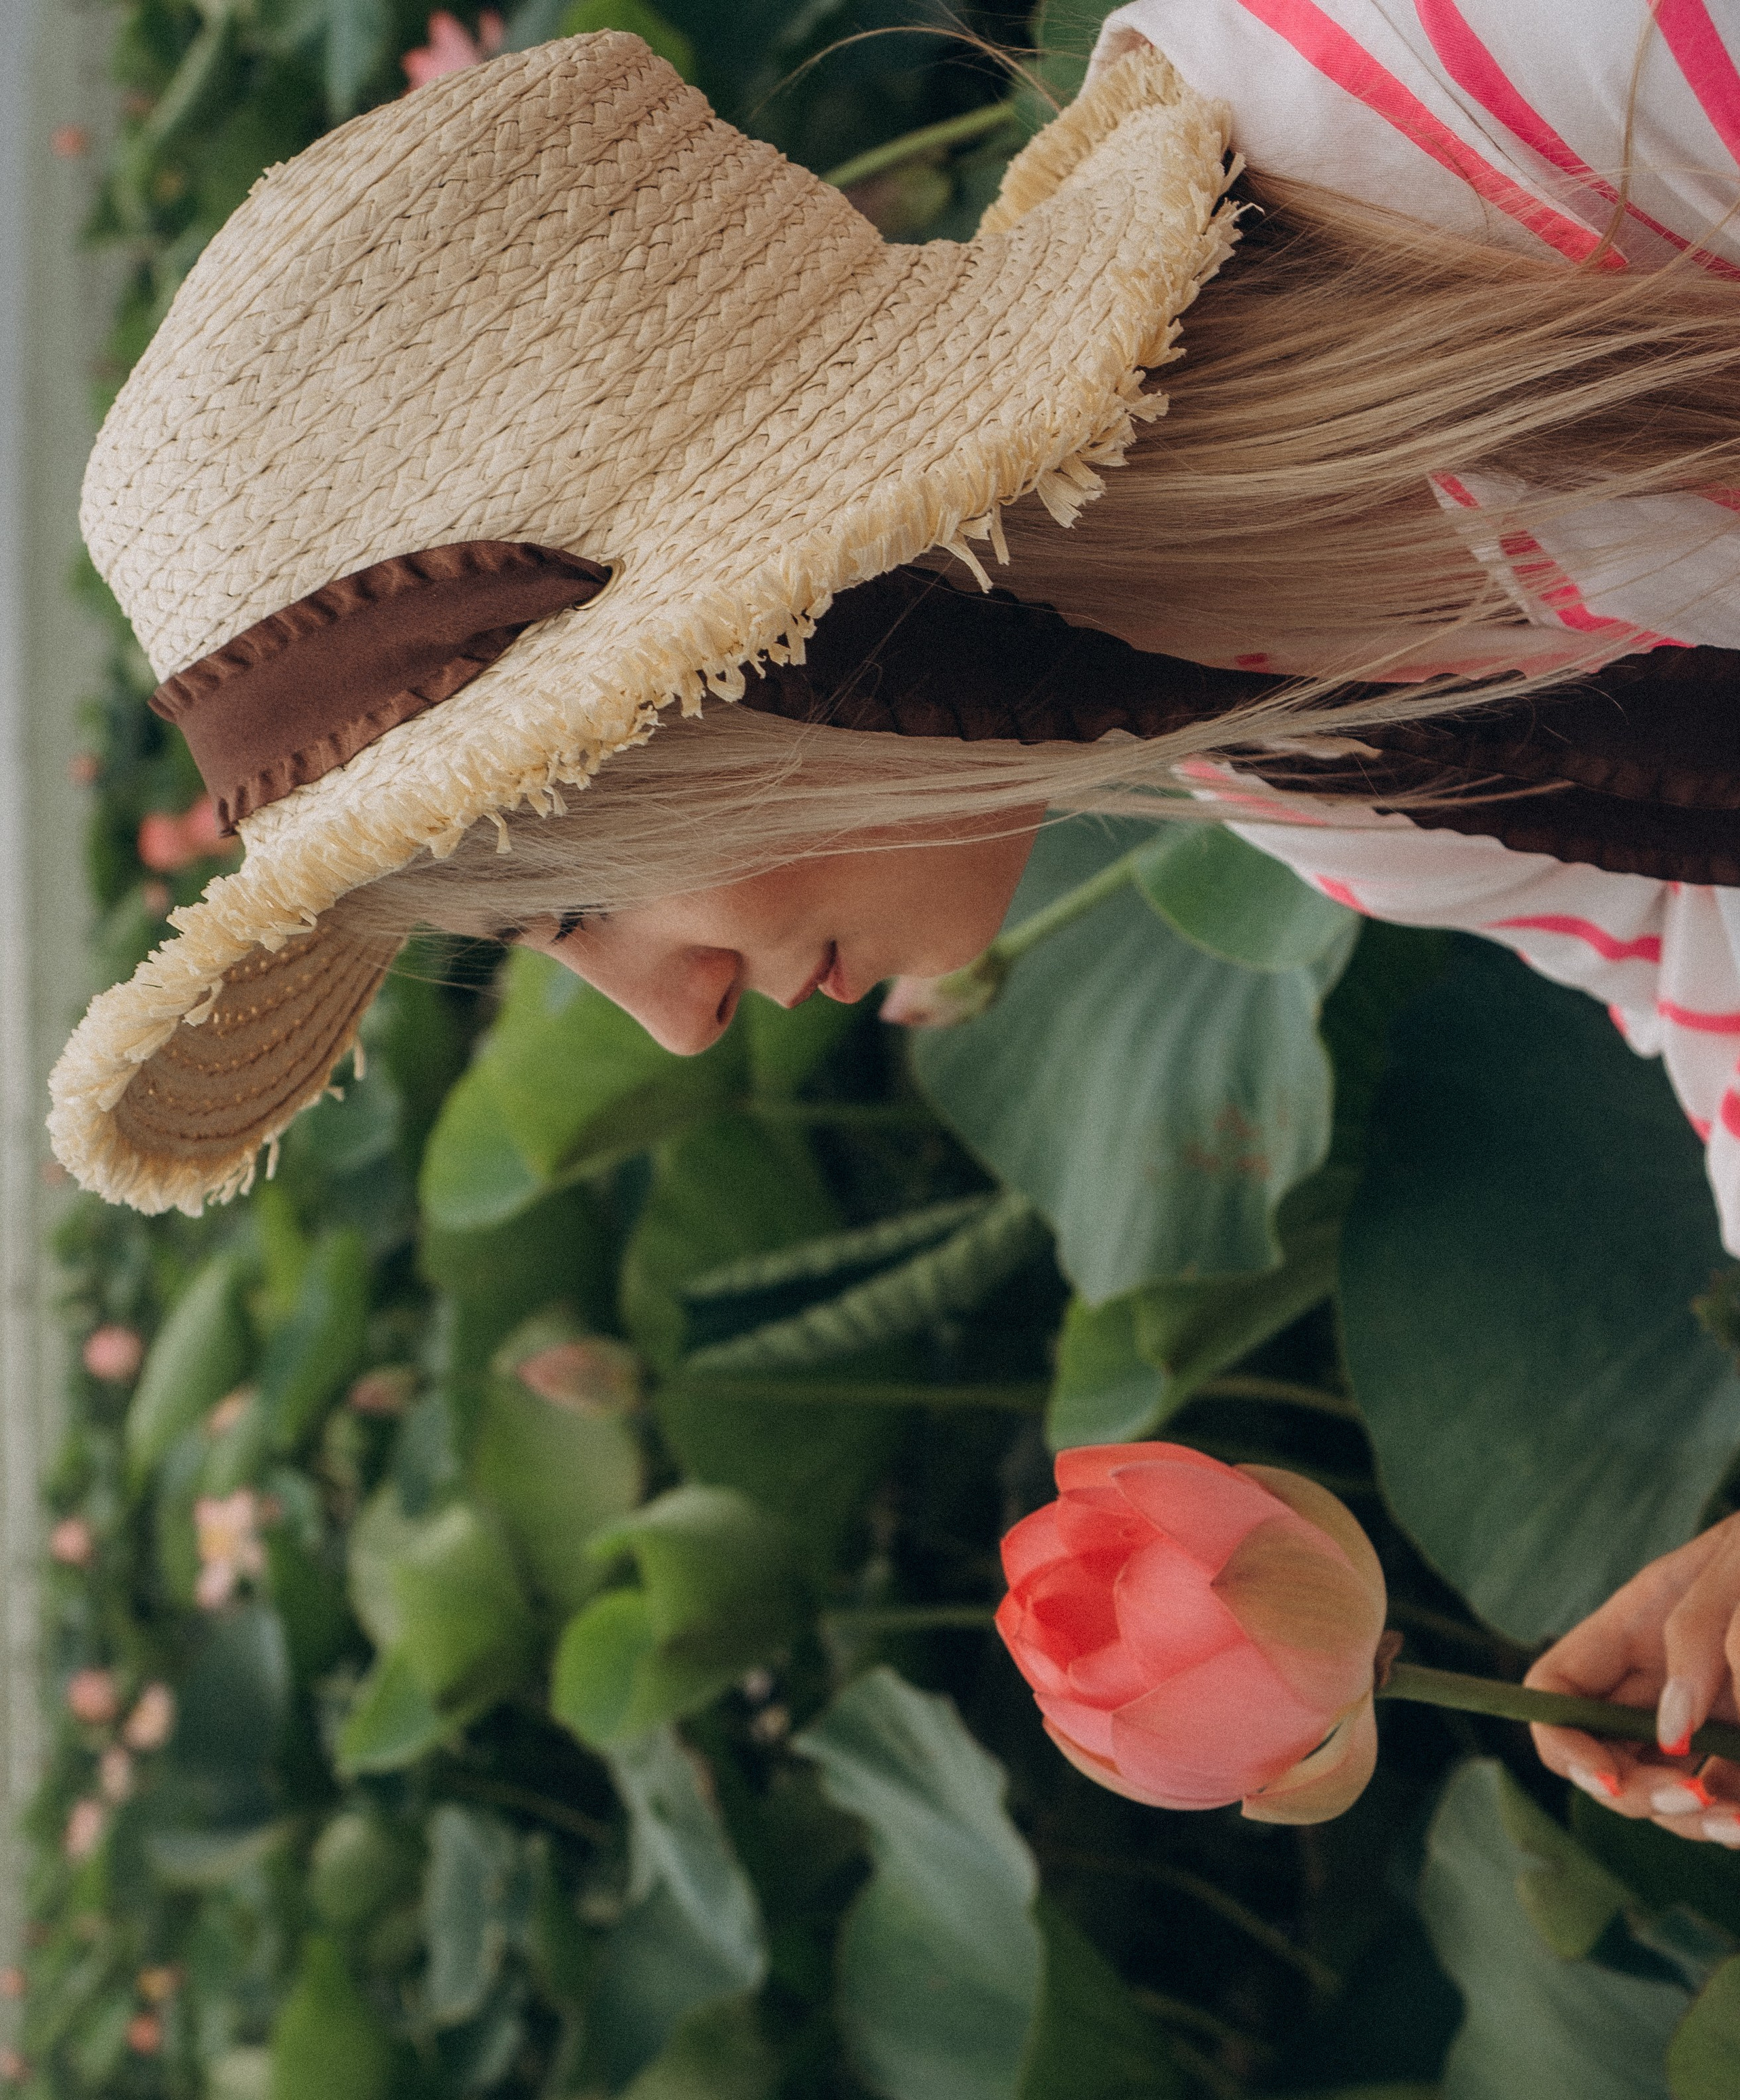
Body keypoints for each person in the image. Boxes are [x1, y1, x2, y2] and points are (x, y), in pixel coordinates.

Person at [48, 5, 1740, 1841]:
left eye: (587, 899)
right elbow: (1693, 962)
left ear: (749, 648)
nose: (680, 1024)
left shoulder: (1440, 75)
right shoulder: (1290, 761)